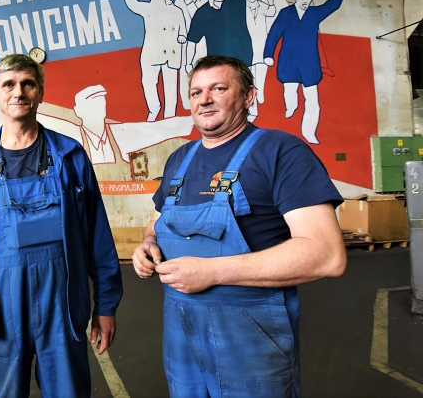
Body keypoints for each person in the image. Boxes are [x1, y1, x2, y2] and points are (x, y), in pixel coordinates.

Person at [132, 55, 347, 397]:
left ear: (248, 96)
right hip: (180, 323)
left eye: (218, 89)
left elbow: (326, 255)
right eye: (196, 92)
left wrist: (212, 272)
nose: (204, 99)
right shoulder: (179, 159)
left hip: (249, 326)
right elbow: (157, 221)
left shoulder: (281, 152)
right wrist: (148, 243)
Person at [0, 54, 123, 397]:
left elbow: (97, 237)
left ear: (40, 92)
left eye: (28, 84)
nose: (18, 92)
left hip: (61, 307)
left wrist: (106, 305)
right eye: (8, 84)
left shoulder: (70, 157)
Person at [0, 82, 194, 165]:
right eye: (92, 103)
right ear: (78, 111)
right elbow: (20, 115)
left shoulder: (120, 135)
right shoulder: (70, 135)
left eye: (101, 101)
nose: (99, 107)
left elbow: (161, 129)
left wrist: (196, 118)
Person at [264, 0, 345, 144]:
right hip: (289, 61)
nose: (305, 1)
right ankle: (291, 107)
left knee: (312, 100)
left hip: (309, 63)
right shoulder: (286, 13)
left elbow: (331, 5)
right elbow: (274, 32)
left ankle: (309, 132)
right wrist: (268, 54)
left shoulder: (314, 13)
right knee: (290, 90)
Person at [124, 0, 187, 121]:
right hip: (152, 54)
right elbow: (131, 2)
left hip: (171, 55)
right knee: (149, 83)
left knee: (171, 87)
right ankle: (154, 108)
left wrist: (182, 37)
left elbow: (183, 29)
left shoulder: (177, 11)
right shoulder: (149, 9)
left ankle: (170, 117)